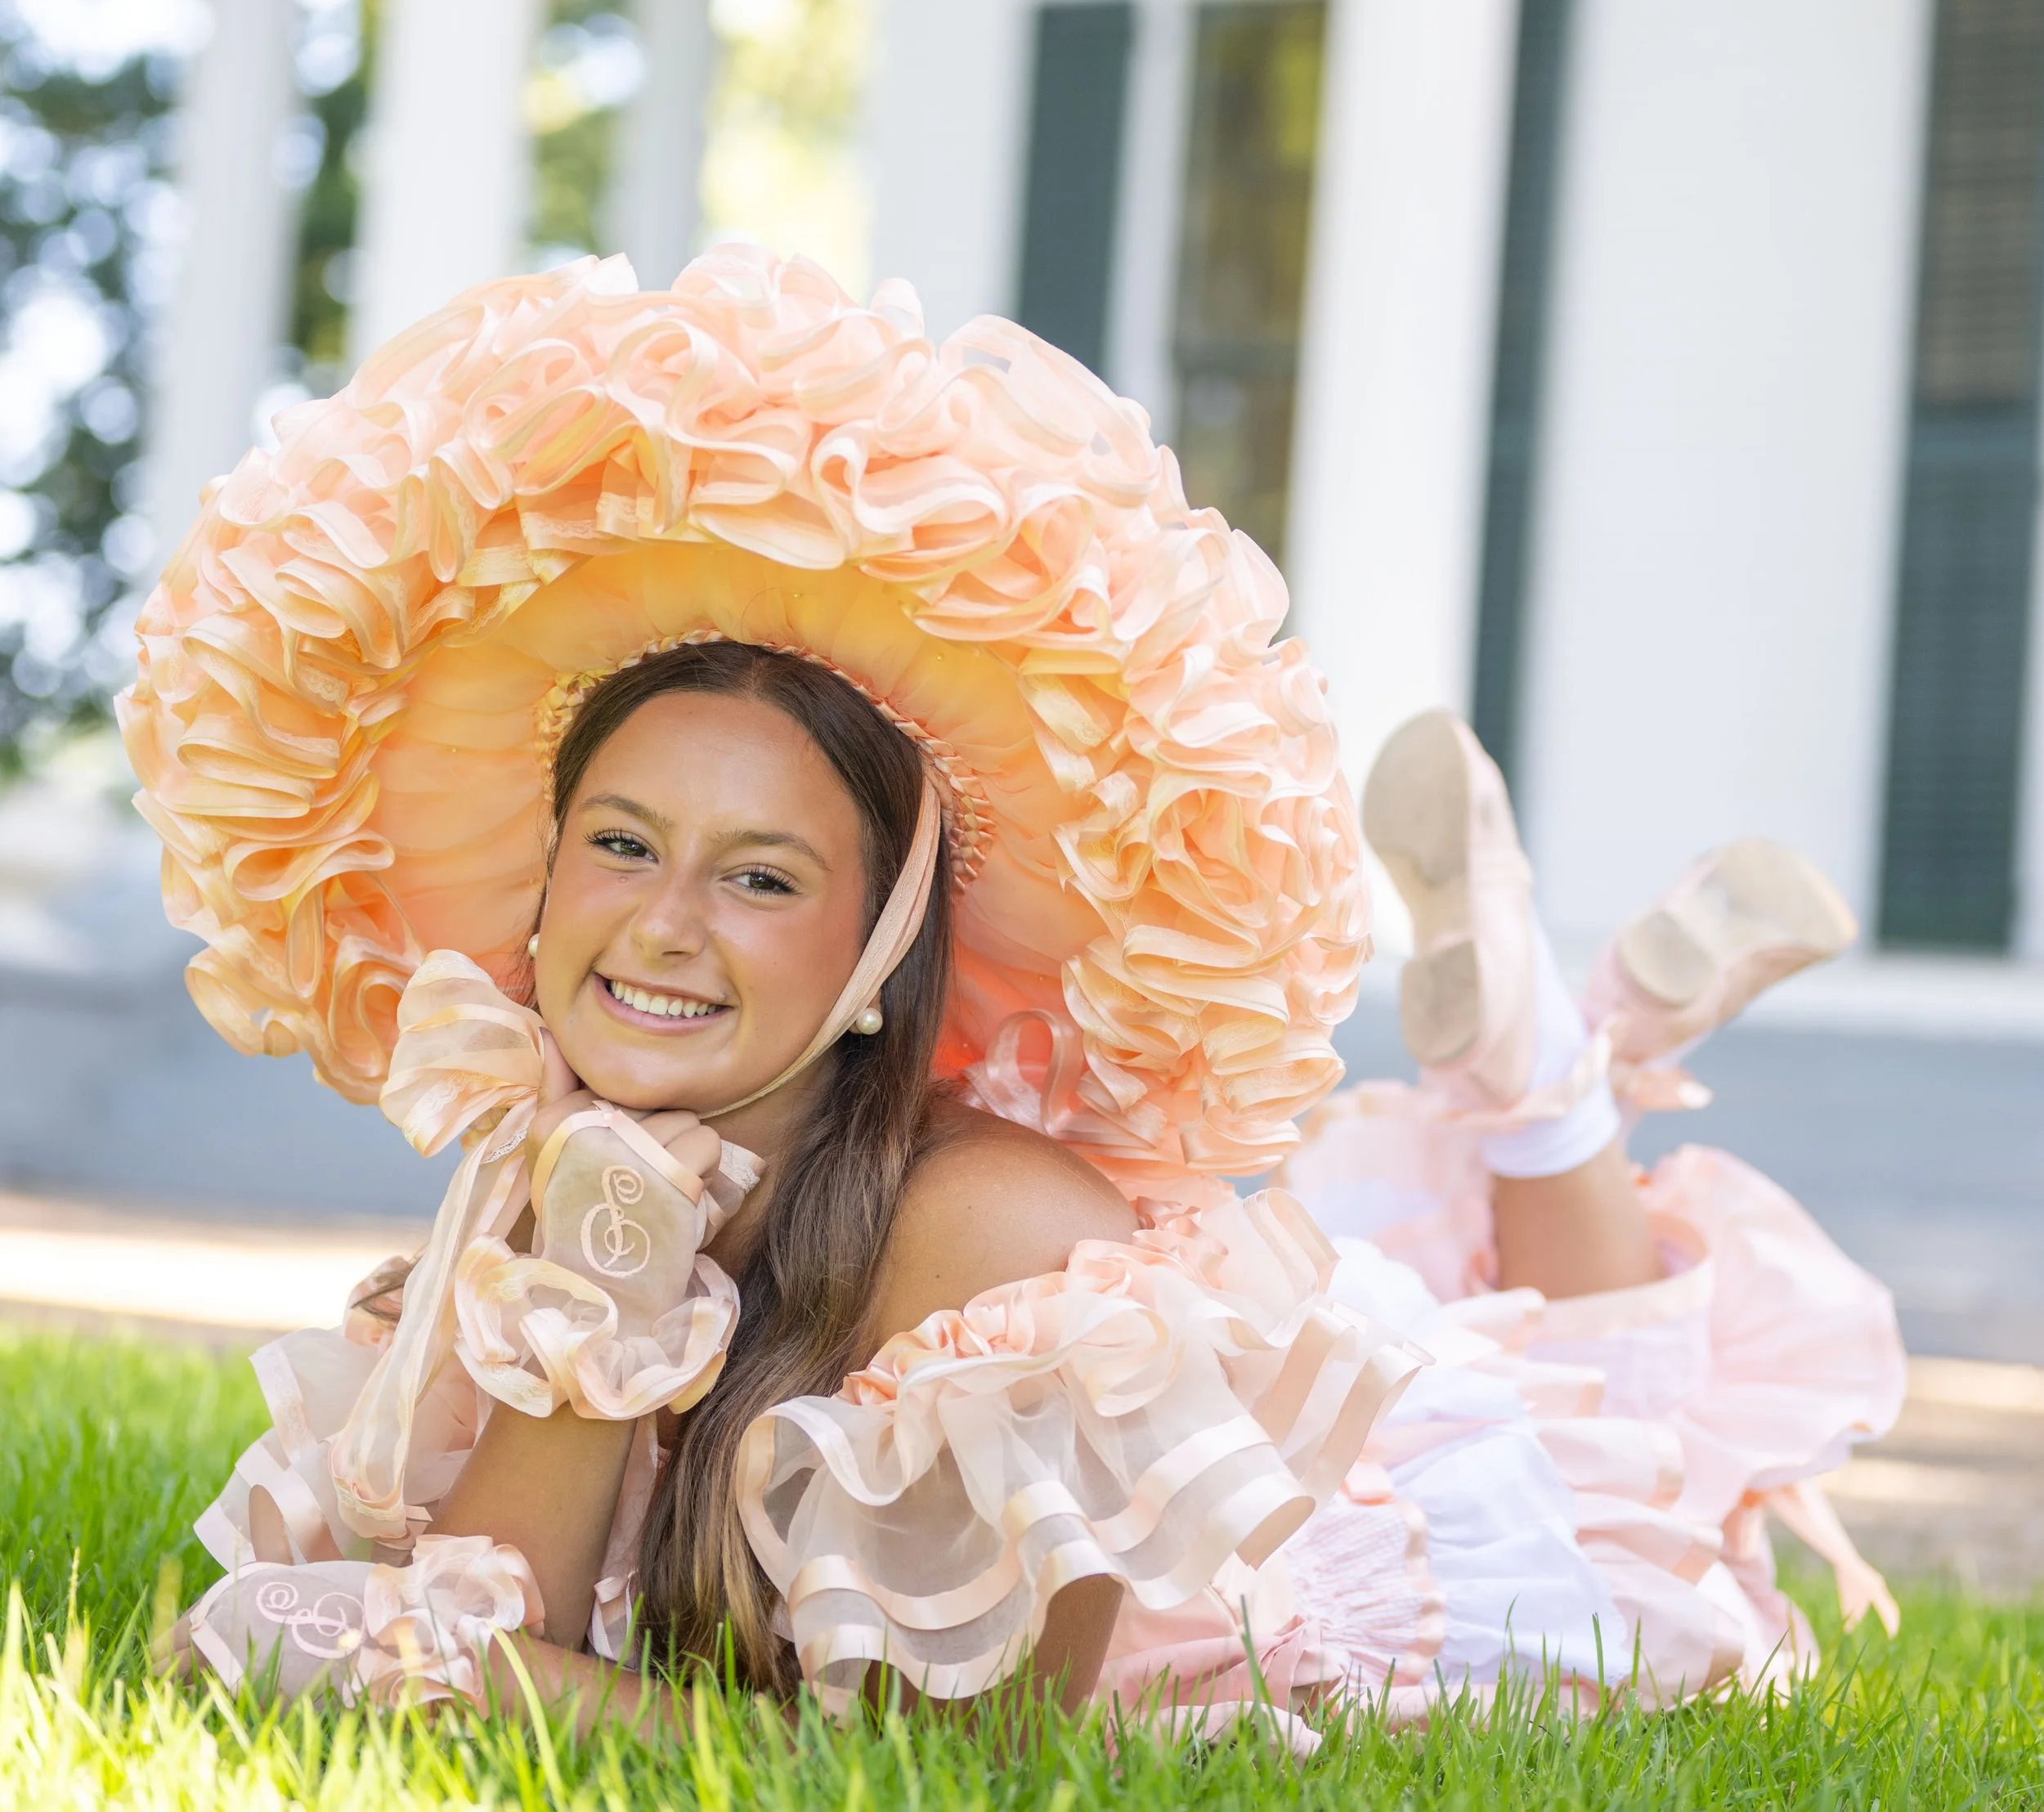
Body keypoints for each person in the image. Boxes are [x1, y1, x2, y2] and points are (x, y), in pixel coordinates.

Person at [125, 246, 1903, 1734]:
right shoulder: (590, 1166)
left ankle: (1543, 1079)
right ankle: (1532, 1049)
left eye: (760, 877)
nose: (661, 925)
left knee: (1650, 1443)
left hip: (1412, 1564)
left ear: (880, 962)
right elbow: (493, 1618)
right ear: (542, 881)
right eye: (618, 844)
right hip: (1212, 1340)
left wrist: (411, 1662)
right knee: (1448, 1270)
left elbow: (927, 1769)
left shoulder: (990, 1243)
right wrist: (600, 1295)